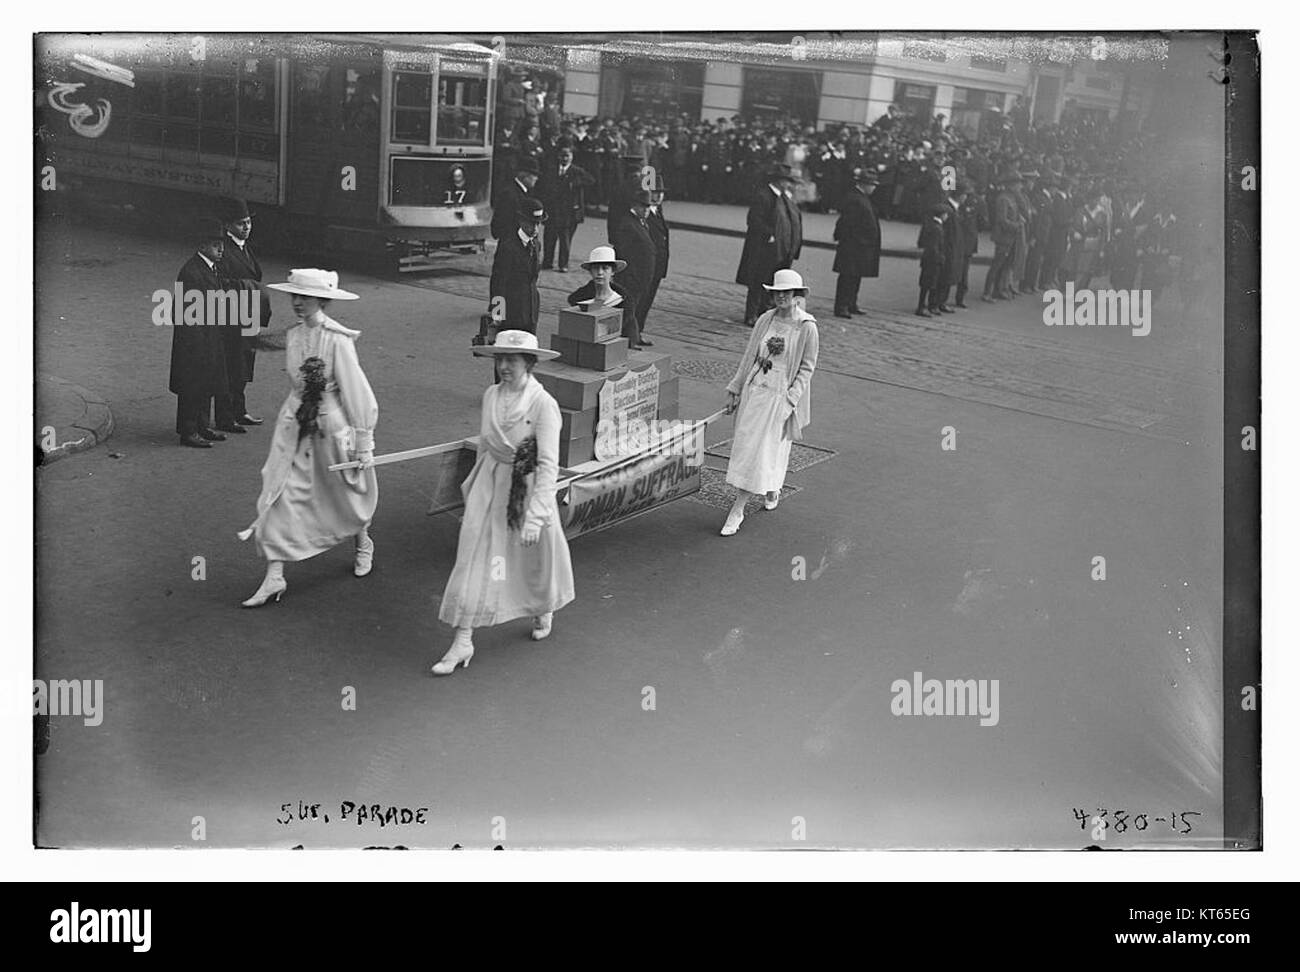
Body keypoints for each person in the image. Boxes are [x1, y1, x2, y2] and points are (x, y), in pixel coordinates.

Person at [433, 329, 575, 675]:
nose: (504, 367)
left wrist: (535, 516)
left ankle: (544, 605)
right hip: (490, 487)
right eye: (499, 360)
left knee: (534, 556)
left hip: (526, 491)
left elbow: (547, 464)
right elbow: (485, 445)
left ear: (529, 363)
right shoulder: (490, 395)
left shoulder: (544, 405)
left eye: (511, 360)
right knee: (473, 559)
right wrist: (472, 487)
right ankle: (463, 639)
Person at [237, 269, 378, 606]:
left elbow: (358, 393)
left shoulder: (338, 340)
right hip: (295, 423)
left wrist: (363, 442)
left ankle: (363, 542)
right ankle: (275, 576)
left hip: (331, 426)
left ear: (322, 300)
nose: (297, 303)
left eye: (305, 297)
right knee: (279, 490)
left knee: (345, 492)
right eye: (294, 296)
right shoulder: (294, 336)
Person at [720, 269, 819, 537]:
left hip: (780, 396)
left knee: (762, 450)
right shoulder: (766, 319)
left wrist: (792, 398)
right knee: (750, 446)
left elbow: (807, 368)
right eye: (777, 292)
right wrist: (735, 387)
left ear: (797, 295)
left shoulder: (807, 326)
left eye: (787, 292)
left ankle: (738, 508)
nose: (781, 297)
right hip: (756, 392)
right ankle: (773, 486)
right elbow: (750, 356)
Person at [169, 219, 231, 449]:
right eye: (216, 245)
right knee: (192, 385)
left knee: (207, 382)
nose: (221, 250)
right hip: (194, 340)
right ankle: (188, 431)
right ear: (203, 246)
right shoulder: (192, 272)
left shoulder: (209, 267)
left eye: (222, 245)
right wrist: (197, 343)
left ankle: (202, 426)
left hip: (210, 335)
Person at [215, 197, 271, 429]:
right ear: (228, 225)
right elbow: (222, 283)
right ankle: (226, 417)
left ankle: (239, 411)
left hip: (247, 315)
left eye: (248, 222)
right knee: (232, 366)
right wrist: (250, 286)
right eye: (240, 223)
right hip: (231, 317)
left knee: (244, 364)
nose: (246, 227)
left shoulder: (242, 246)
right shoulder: (224, 249)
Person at [735, 163, 803, 326]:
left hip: (779, 249)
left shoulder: (784, 197)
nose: (789, 184)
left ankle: (764, 311)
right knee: (758, 281)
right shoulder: (763, 196)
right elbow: (754, 220)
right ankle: (751, 314)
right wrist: (770, 234)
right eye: (786, 181)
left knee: (773, 281)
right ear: (778, 181)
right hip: (763, 247)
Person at [488, 197, 546, 334]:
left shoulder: (536, 244)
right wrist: (497, 314)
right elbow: (498, 282)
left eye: (539, 224)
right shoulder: (508, 246)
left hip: (531, 309)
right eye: (532, 224)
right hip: (512, 311)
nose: (536, 228)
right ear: (521, 221)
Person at [537, 142, 595, 272]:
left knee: (565, 239)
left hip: (569, 213)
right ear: (558, 156)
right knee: (549, 238)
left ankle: (563, 264)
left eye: (567, 156)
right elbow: (543, 188)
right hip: (552, 210)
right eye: (562, 156)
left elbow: (591, 180)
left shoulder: (577, 171)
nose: (565, 158)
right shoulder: (551, 170)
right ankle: (547, 262)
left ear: (572, 156)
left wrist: (576, 183)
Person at [609, 190, 656, 350]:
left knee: (636, 308)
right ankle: (628, 340)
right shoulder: (627, 224)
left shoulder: (640, 222)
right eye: (643, 207)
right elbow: (623, 253)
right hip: (631, 278)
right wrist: (631, 276)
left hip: (642, 278)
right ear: (634, 206)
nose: (647, 210)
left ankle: (635, 337)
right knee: (629, 309)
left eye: (648, 207)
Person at [832, 167, 881, 318]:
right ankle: (842, 306)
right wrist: (861, 241)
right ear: (863, 184)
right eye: (872, 185)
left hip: (859, 246)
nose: (874, 188)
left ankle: (851, 303)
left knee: (855, 276)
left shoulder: (861, 197)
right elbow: (848, 225)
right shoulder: (854, 199)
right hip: (853, 246)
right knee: (848, 276)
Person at [640, 176, 670, 346]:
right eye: (654, 192)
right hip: (648, 267)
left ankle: (638, 332)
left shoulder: (658, 211)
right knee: (641, 300)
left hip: (657, 267)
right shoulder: (646, 213)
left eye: (661, 193)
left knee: (647, 300)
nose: (658, 196)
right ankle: (633, 333)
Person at [565, 245, 631, 311]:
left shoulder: (622, 302)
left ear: (612, 271)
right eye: (595, 268)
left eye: (605, 268)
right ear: (590, 271)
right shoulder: (581, 299)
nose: (600, 272)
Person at [490, 155, 538, 240]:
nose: (536, 178)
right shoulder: (509, 194)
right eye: (534, 175)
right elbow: (500, 224)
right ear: (525, 175)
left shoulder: (522, 192)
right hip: (510, 246)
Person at [916, 204, 950, 317]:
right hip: (933, 261)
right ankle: (923, 307)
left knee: (928, 284)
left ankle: (926, 306)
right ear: (942, 215)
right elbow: (934, 246)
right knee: (929, 284)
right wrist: (940, 258)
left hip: (928, 260)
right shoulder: (937, 228)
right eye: (946, 214)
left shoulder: (931, 225)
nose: (947, 217)